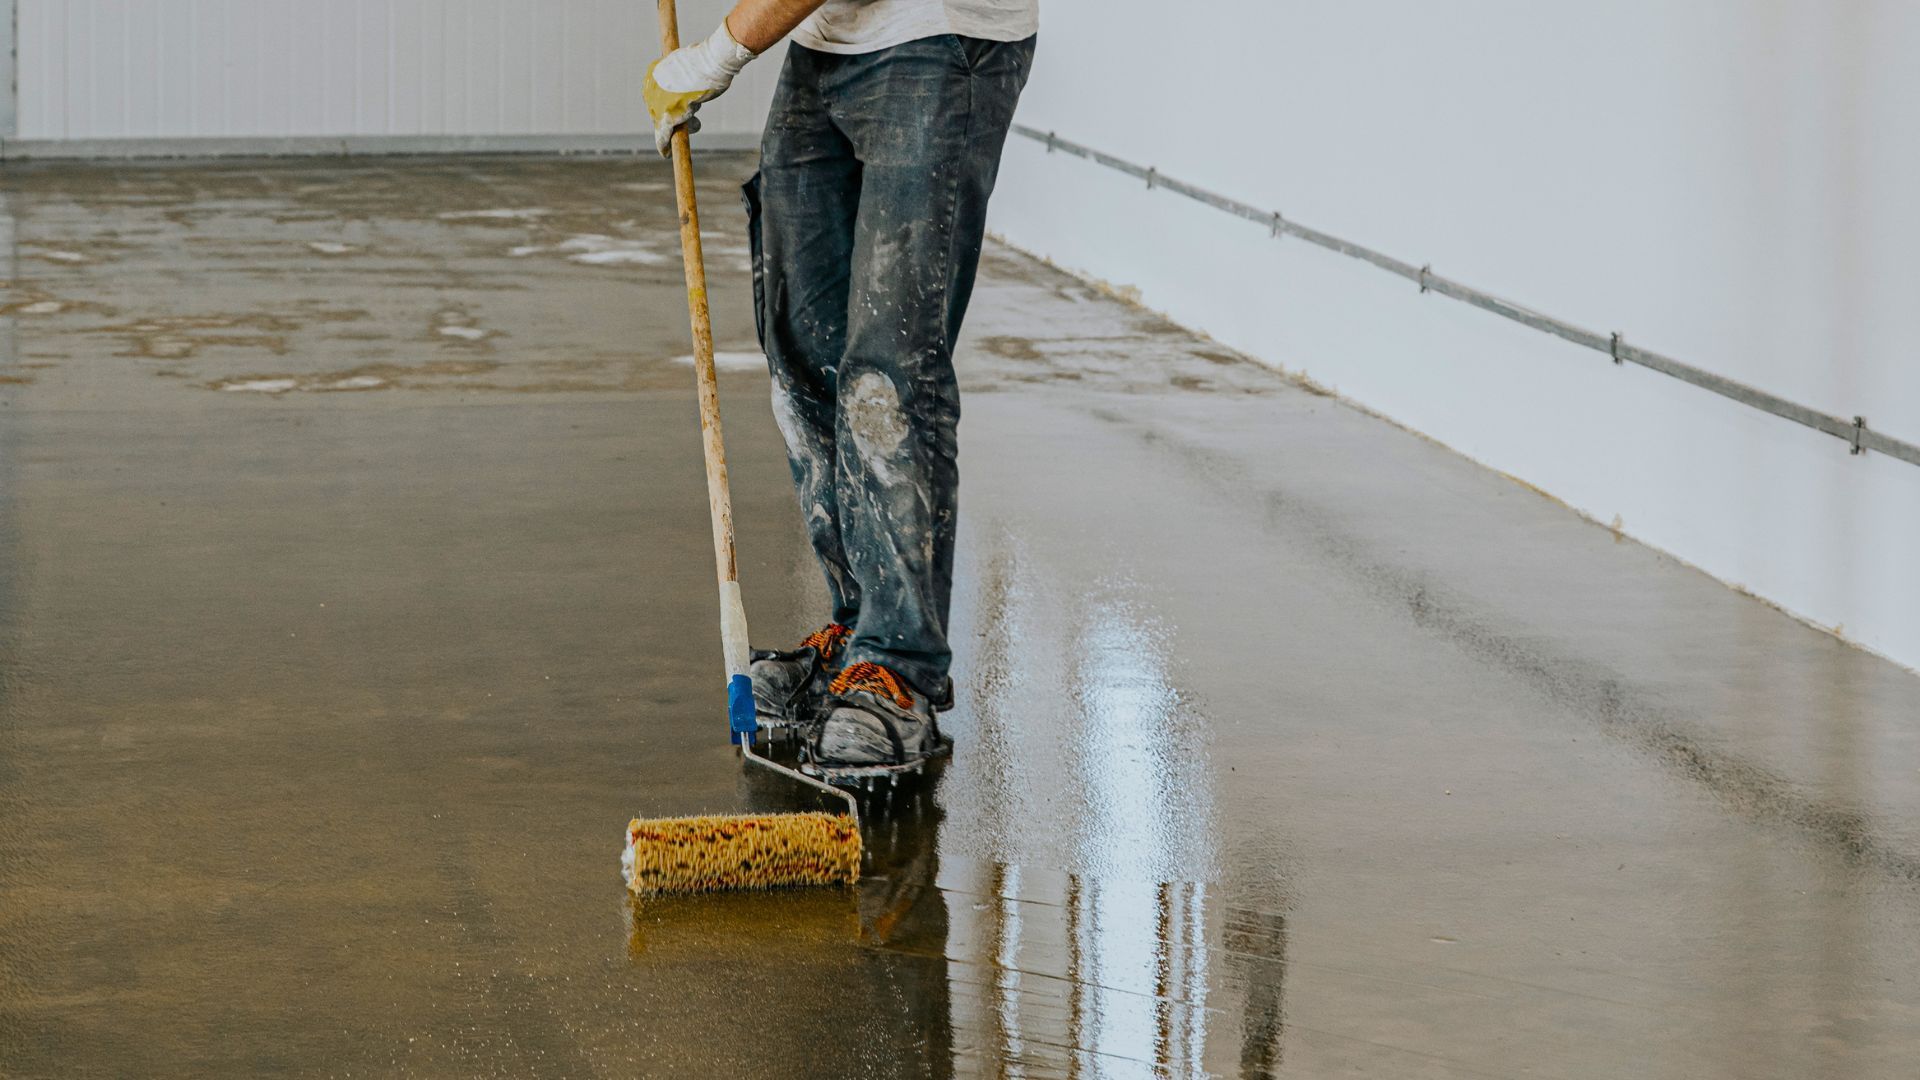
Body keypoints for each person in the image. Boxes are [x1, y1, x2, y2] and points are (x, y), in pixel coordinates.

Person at [645, 0, 1037, 775]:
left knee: (887, 377)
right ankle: (859, 632)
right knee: (805, 353)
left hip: (941, 38)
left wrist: (715, 55)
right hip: (828, 38)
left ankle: (900, 668)